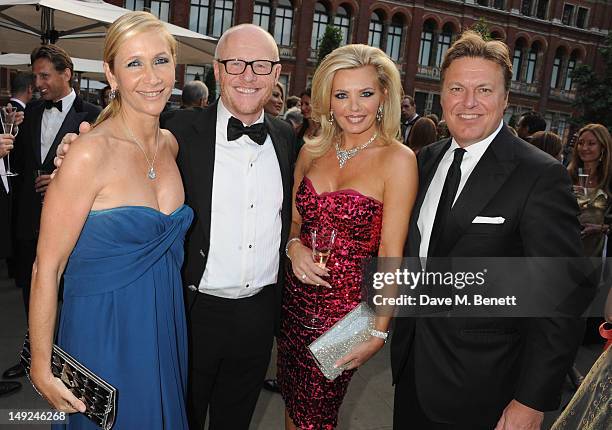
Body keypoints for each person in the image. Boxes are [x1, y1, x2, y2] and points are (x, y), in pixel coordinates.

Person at [391, 30, 585, 429]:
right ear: (441, 95)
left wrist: (531, 401)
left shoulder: (539, 175)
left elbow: (562, 298)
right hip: (412, 373)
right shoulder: (422, 162)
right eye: (457, 88)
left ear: (505, 98)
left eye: (484, 89)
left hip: (488, 390)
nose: (468, 102)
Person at [29, 12, 191, 429]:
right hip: (103, 331)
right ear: (111, 73)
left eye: (160, 60)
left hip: (165, 325)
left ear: (175, 66)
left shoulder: (171, 145)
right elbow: (47, 267)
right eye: (134, 63)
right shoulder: (88, 153)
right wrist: (42, 369)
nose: (151, 76)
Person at [279, 44, 417, 430]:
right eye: (342, 95)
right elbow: (293, 223)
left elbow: (392, 252)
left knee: (315, 418)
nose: (354, 107)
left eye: (366, 93)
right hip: (294, 306)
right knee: (293, 403)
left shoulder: (398, 159)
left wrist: (377, 329)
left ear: (384, 96)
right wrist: (294, 248)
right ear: (327, 99)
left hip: (346, 317)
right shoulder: (311, 151)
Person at [4, 43, 101, 381]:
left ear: (67, 74)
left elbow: (103, 172)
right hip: (31, 219)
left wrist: (62, 177)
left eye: (45, 75)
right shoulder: (28, 113)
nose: (38, 83)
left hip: (75, 224)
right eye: (35, 76)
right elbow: (19, 165)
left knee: (71, 294)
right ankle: (33, 358)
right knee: (34, 292)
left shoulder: (94, 116)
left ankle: (71, 363)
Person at [568, 124, 611, 258]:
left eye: (591, 143)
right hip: (566, 247)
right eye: (580, 143)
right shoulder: (567, 175)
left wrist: (601, 228)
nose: (584, 148)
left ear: (603, 147)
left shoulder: (609, 179)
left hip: (597, 252)